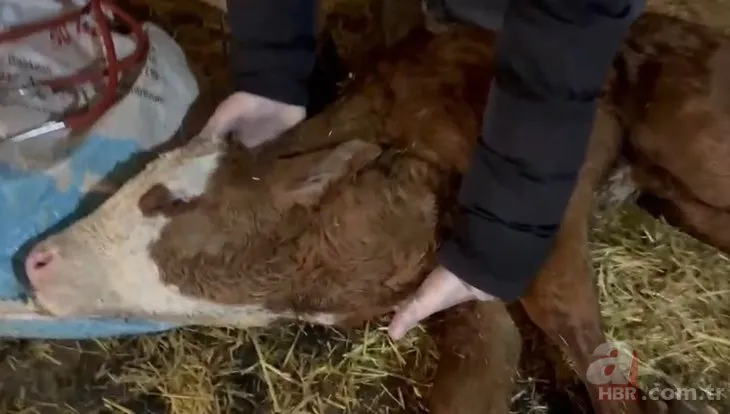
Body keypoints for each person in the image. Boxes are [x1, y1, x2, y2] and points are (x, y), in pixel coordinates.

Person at [202, 0, 644, 341]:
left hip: (550, 40)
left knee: (558, 296)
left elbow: (567, 31)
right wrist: (271, 65)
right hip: (473, 33)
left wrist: (499, 241)